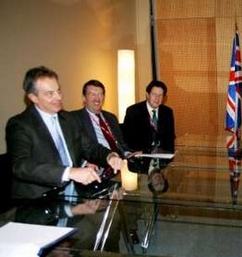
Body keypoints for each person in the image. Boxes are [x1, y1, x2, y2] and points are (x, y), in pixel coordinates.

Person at [5, 66, 123, 218]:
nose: (58, 97)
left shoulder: (67, 119)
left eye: (59, 91)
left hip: (72, 193)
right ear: (33, 97)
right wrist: (69, 172)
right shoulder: (20, 124)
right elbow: (21, 165)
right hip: (37, 201)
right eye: (50, 94)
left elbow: (90, 147)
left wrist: (110, 156)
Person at [71, 79, 134, 158]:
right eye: (92, 94)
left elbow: (121, 144)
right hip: (97, 162)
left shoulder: (111, 117)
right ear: (84, 98)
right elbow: (76, 149)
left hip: (120, 161)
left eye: (100, 94)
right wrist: (85, 164)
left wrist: (128, 154)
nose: (97, 99)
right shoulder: (74, 118)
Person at [122, 80, 175, 153]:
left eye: (160, 95)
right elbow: (127, 138)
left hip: (161, 154)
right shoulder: (133, 111)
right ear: (147, 95)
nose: (157, 98)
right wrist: (145, 151)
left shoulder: (167, 112)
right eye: (154, 94)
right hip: (140, 154)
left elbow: (170, 137)